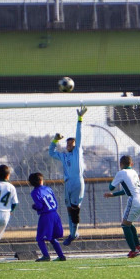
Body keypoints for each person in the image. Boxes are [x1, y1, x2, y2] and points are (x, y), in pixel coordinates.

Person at [49, 106, 87, 246]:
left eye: (72, 143)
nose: (69, 145)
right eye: (68, 143)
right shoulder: (64, 156)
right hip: (67, 183)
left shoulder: (77, 152)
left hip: (77, 182)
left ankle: (74, 234)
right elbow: (51, 153)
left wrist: (80, 119)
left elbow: (79, 134)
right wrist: (54, 140)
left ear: (76, 145)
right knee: (69, 209)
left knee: (75, 209)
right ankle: (72, 233)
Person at [104, 155, 140, 258]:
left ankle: (134, 250)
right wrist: (113, 195)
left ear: (121, 164)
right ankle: (137, 245)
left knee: (124, 225)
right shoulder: (134, 172)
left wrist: (113, 183)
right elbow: (128, 190)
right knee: (129, 223)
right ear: (131, 163)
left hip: (134, 200)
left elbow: (111, 187)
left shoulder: (121, 173)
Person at [28, 172, 66, 262]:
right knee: (53, 237)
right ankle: (61, 256)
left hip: (46, 216)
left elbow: (40, 206)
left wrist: (34, 207)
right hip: (55, 214)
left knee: (40, 238)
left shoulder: (35, 192)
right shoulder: (48, 188)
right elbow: (55, 202)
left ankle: (46, 256)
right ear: (41, 180)